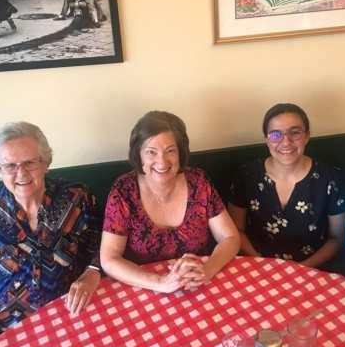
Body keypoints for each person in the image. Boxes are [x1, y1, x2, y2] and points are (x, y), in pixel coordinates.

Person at [0, 122, 102, 347]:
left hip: (71, 316)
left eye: (30, 162)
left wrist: (93, 271)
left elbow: (102, 243)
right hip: (7, 330)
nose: (21, 173)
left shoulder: (77, 198)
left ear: (45, 163)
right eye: (10, 165)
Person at [100, 111, 240, 292]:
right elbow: (109, 259)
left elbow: (230, 238)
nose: (162, 162)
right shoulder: (124, 191)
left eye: (170, 151)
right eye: (151, 152)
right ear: (139, 155)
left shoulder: (198, 182)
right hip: (144, 290)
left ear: (181, 153)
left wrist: (207, 270)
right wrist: (161, 283)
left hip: (197, 286)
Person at [228, 103, 345, 276]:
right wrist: (263, 264)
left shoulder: (331, 178)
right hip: (257, 266)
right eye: (275, 134)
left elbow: (336, 238)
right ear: (266, 139)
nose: (286, 142)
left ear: (307, 136)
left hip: (314, 268)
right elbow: (236, 231)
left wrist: (299, 270)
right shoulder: (246, 175)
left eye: (295, 132)